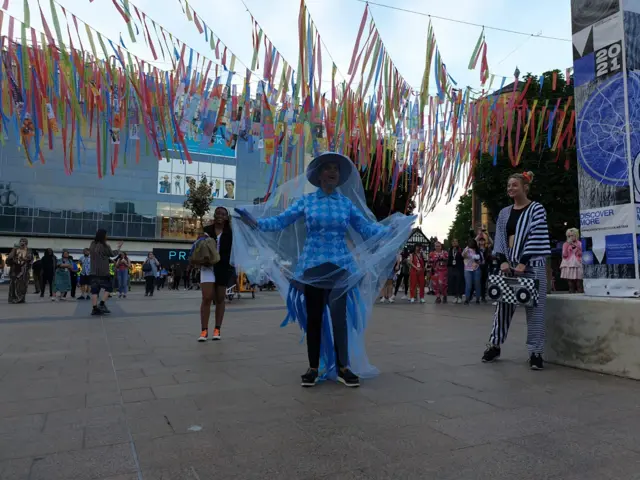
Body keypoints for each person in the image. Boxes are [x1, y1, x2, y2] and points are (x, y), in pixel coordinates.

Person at [234, 152, 413, 387]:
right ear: (319, 175)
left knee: (340, 318)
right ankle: (313, 367)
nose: (332, 172)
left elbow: (366, 229)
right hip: (313, 267)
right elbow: (281, 221)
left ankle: (343, 367)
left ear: (339, 177)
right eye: (327, 168)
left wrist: (391, 231)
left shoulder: (346, 204)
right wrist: (256, 223)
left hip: (340, 267)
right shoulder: (307, 202)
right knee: (315, 318)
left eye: (335, 169)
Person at [482, 171, 551, 370]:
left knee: (536, 311)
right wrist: (502, 260)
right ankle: (494, 344)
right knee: (502, 307)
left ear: (525, 187)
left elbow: (537, 234)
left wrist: (524, 261)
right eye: (508, 185)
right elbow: (501, 238)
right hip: (509, 264)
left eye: (514, 185)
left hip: (532, 265)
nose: (510, 188)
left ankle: (535, 352)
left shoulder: (536, 209)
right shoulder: (504, 212)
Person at [193, 206, 233, 342]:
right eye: (218, 213)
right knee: (207, 297)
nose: (220, 215)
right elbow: (197, 246)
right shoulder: (207, 230)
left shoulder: (230, 233)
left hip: (223, 268)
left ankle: (217, 328)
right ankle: (204, 330)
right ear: (214, 215)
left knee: (220, 298)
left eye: (223, 214)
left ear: (227, 217)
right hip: (207, 267)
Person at [89, 229, 123, 315]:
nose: (107, 236)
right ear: (103, 236)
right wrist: (118, 248)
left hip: (93, 271)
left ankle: (94, 308)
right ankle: (102, 304)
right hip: (103, 271)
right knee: (109, 287)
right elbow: (112, 254)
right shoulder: (105, 245)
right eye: (106, 235)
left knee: (94, 290)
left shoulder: (92, 244)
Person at [7, 238, 33, 304]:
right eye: (21, 241)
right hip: (15, 270)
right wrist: (13, 250)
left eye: (24, 241)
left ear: (26, 243)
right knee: (13, 284)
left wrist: (23, 259)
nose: (22, 242)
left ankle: (21, 298)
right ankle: (13, 298)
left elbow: (29, 259)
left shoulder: (28, 250)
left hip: (24, 271)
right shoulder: (15, 250)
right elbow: (9, 258)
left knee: (23, 285)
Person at [560, 228, 583, 294]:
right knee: (570, 283)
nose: (570, 237)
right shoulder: (565, 244)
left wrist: (575, 245)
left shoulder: (579, 243)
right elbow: (564, 255)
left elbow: (581, 254)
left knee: (579, 282)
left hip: (577, 263)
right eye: (569, 236)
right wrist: (568, 246)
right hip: (568, 263)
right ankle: (571, 294)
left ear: (576, 235)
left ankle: (580, 295)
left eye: (572, 235)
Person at [463, 238, 482, 305]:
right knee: (468, 285)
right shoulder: (466, 249)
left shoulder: (477, 250)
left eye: (472, 242)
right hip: (468, 269)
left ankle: (477, 299)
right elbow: (463, 255)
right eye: (469, 242)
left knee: (477, 284)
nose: (471, 244)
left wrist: (478, 260)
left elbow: (481, 260)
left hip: (476, 269)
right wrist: (467, 248)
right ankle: (467, 299)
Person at [447, 239, 464, 304]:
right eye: (453, 242)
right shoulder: (450, 250)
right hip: (452, 268)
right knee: (453, 282)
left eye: (456, 241)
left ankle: (460, 296)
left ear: (458, 243)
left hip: (459, 268)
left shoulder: (460, 250)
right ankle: (455, 296)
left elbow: (463, 258)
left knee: (459, 282)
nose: (454, 243)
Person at [478, 237, 491, 303]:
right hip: (478, 267)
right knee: (477, 282)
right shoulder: (477, 249)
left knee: (483, 282)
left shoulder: (487, 249)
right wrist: (479, 235)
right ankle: (476, 296)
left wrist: (487, 234)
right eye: (481, 241)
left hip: (485, 267)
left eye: (483, 241)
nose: (482, 242)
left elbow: (492, 243)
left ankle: (483, 297)